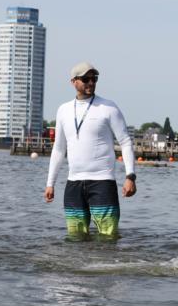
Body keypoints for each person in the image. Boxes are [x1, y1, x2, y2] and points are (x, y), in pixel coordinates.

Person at [45, 62, 136, 239]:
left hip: (102, 182)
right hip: (74, 184)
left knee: (108, 237)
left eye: (94, 79)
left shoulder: (108, 108)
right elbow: (58, 149)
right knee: (75, 238)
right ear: (73, 82)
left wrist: (130, 176)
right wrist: (50, 183)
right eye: (85, 79)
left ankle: (107, 266)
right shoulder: (63, 110)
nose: (91, 82)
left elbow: (125, 142)